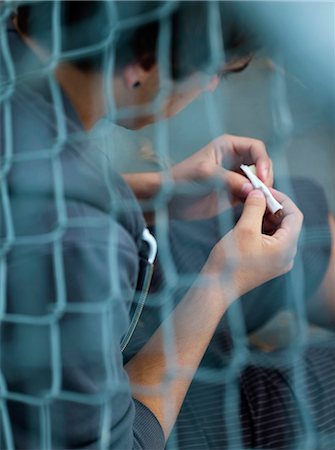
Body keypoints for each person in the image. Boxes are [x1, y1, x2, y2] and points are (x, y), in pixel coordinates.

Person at [0, 1, 334, 449]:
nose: (213, 84)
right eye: (212, 68)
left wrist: (159, 192)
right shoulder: (82, 242)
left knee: (307, 222)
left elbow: (25, 186)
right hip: (100, 413)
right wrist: (221, 282)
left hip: (86, 284)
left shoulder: (17, 40)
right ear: (141, 65)